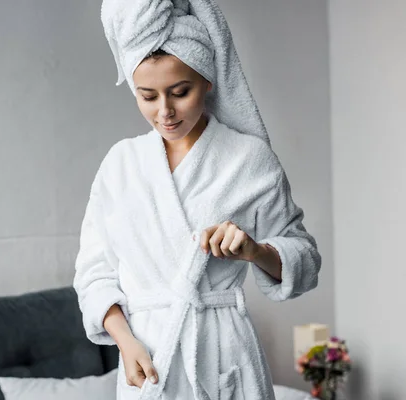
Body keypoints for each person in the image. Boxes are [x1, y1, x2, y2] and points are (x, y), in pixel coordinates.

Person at [73, 1, 322, 399]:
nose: (165, 112)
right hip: (148, 357)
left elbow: (304, 258)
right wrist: (126, 341)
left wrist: (255, 250)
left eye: (180, 92)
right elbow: (93, 273)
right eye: (147, 96)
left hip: (225, 354)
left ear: (207, 79)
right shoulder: (120, 165)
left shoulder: (249, 159)